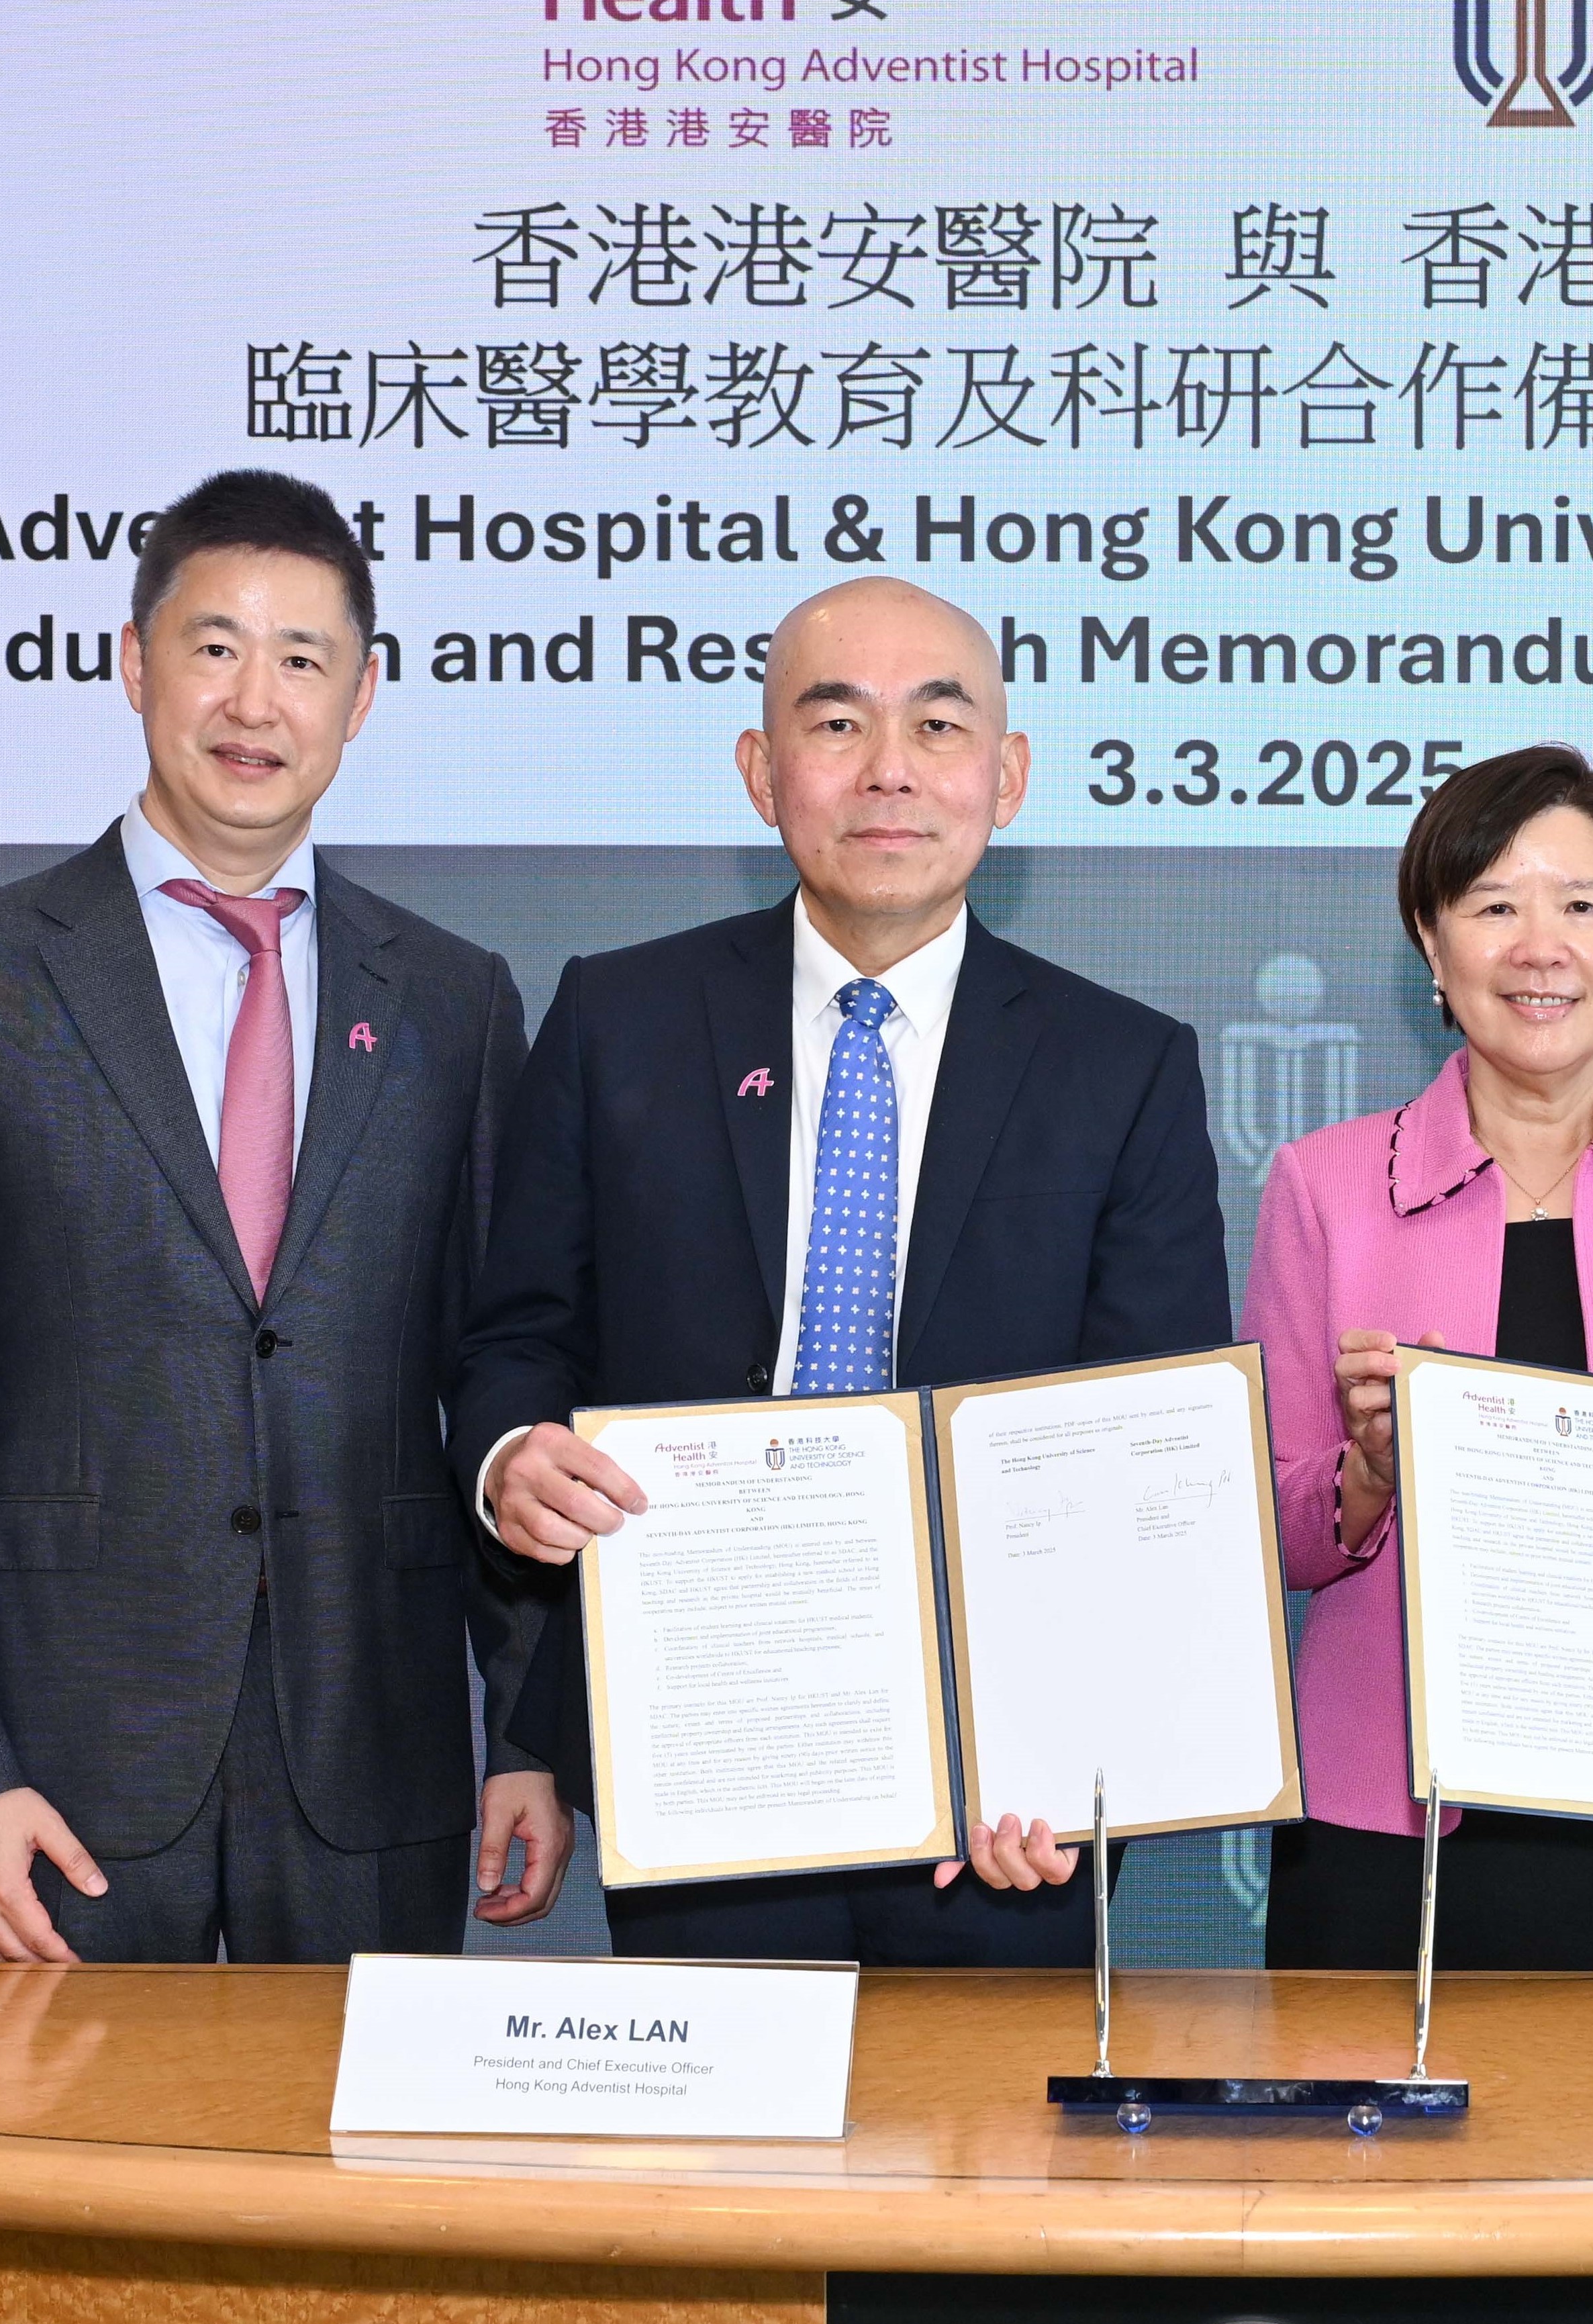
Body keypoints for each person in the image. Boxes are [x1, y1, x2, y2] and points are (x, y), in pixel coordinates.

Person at [0, 469, 541, 1964]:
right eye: (212, 648)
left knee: (347, 2196)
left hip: (372, 1758)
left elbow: (504, 1382)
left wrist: (529, 1733)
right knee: (53, 2190)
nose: (253, 702)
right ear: (134, 664)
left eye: (302, 659)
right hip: (57, 1773)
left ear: (366, 695)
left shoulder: (456, 1002)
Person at [450, 575, 1228, 1961]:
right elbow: (522, 1340)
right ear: (761, 773)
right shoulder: (619, 1019)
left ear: (1009, 773)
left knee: (981, 2163)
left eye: (939, 726)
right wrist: (514, 1456)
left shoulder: (1123, 1068)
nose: (889, 773)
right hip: (700, 1730)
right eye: (837, 724)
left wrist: (1072, 1746)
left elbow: (1149, 1448)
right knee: (720, 2168)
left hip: (1003, 1801)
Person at [1247, 747, 1593, 1969]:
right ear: (1432, 946)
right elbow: (1275, 1538)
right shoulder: (1325, 1186)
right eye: (1494, 905)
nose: (1539, 945)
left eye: (1582, 905)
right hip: (1383, 1821)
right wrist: (1369, 1470)